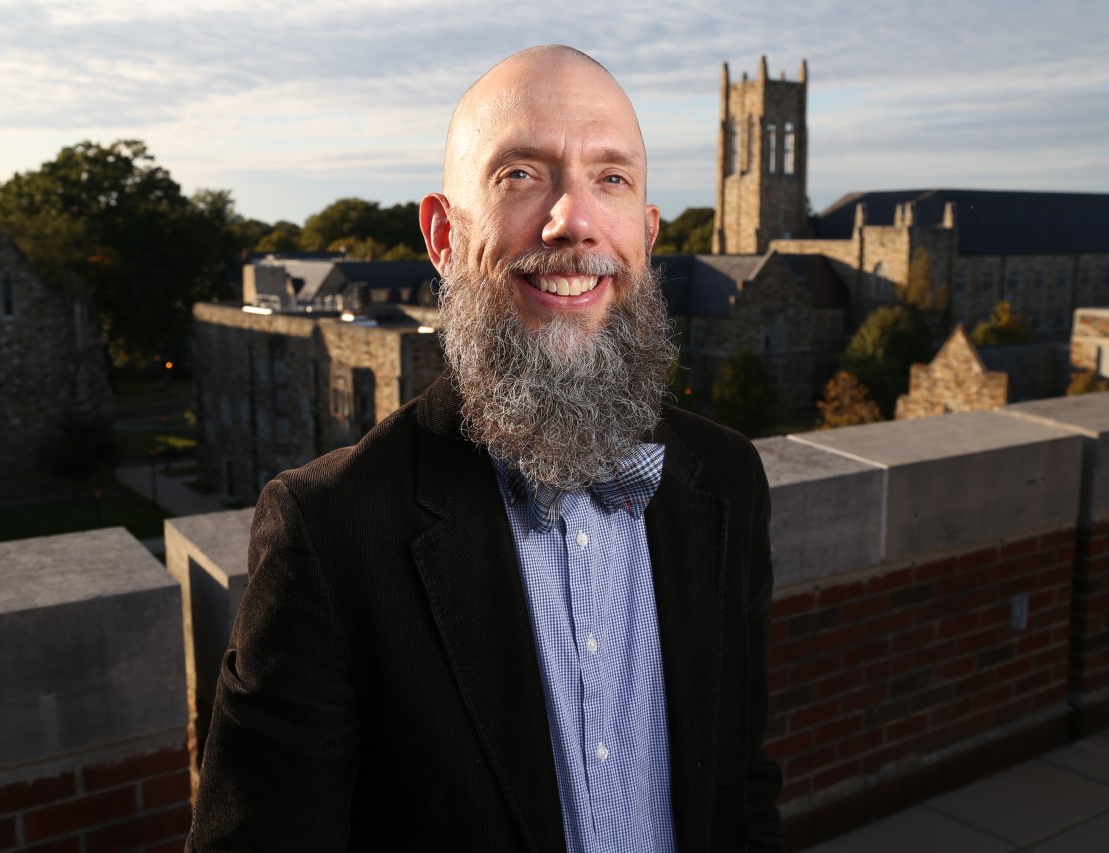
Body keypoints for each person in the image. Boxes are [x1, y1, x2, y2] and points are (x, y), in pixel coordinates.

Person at [188, 44, 782, 852]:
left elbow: (740, 788)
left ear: (646, 235)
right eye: (520, 175)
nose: (573, 219)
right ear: (441, 234)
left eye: (611, 178)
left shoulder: (725, 479)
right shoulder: (327, 531)